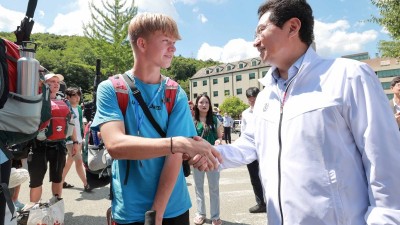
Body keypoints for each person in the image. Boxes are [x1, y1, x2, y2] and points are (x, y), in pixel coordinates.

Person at [191, 0, 400, 224]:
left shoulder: (348, 76)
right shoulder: (265, 96)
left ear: (293, 27)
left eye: (261, 30)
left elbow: (383, 158)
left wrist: (385, 219)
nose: (255, 42)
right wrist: (208, 152)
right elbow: (249, 146)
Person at [90, 13, 220, 225]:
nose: (173, 48)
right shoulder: (112, 88)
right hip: (128, 209)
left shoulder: (174, 91)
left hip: (173, 206)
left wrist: (156, 214)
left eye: (174, 42)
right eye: (166, 41)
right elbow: (115, 145)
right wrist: (176, 144)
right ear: (142, 43)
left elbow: (175, 157)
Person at [27, 73, 78, 204]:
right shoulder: (36, 100)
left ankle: (55, 208)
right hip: (38, 144)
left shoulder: (64, 102)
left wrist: (75, 142)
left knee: (57, 178)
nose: (56, 84)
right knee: (36, 180)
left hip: (59, 144)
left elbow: (71, 123)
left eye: (57, 82)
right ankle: (34, 210)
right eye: (52, 81)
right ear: (44, 84)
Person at [192, 94, 223, 225]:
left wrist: (218, 140)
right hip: (197, 158)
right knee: (198, 187)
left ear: (209, 105)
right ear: (197, 105)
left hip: (212, 158)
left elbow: (219, 136)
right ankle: (200, 213)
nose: (204, 105)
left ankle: (215, 216)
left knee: (214, 187)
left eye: (206, 102)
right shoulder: (192, 120)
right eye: (201, 102)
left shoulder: (215, 120)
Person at [62, 87, 92, 192]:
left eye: (78, 95)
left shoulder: (79, 108)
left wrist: (84, 136)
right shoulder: (66, 108)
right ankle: (86, 184)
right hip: (70, 140)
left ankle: (60, 181)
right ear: (68, 97)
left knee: (69, 161)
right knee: (79, 161)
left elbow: (80, 124)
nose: (77, 97)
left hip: (79, 139)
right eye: (74, 95)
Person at [241, 87, 266, 214]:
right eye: (250, 100)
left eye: (254, 100)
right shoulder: (245, 114)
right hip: (251, 149)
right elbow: (243, 133)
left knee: (268, 176)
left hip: (266, 149)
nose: (252, 102)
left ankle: (273, 202)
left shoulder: (266, 111)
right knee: (254, 177)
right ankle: (260, 203)